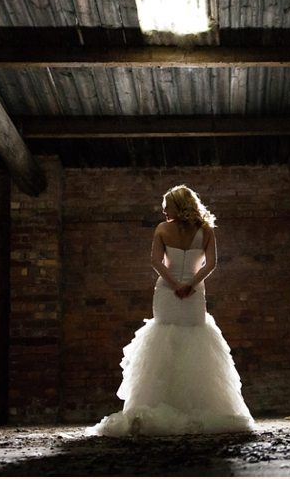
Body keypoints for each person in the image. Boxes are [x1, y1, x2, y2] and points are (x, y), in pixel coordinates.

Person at [86, 185, 254, 437]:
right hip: (194, 291)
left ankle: (159, 406)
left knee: (165, 337)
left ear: (179, 204)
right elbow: (212, 263)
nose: (164, 210)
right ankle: (195, 407)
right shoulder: (205, 230)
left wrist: (175, 285)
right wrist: (190, 284)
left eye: (168, 205)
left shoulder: (162, 229)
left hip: (167, 290)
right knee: (195, 337)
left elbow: (155, 262)